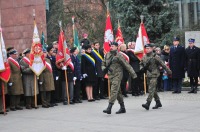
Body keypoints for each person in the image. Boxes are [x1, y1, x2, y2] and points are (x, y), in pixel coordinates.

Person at [102, 42, 137, 114]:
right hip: (110, 75)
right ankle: (122, 107)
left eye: (113, 46)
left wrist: (133, 74)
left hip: (118, 75)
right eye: (110, 46)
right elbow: (103, 63)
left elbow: (126, 65)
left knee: (114, 90)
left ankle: (109, 107)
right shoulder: (107, 54)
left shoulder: (119, 55)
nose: (111, 47)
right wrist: (104, 68)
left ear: (116, 47)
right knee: (118, 92)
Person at [140, 44, 172, 110]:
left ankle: (147, 103)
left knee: (151, 89)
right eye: (146, 48)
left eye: (149, 48)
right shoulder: (144, 56)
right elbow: (141, 63)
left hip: (155, 74)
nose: (147, 49)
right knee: (153, 89)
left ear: (152, 49)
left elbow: (162, 64)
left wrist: (169, 71)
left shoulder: (155, 56)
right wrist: (141, 68)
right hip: (148, 74)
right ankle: (158, 102)